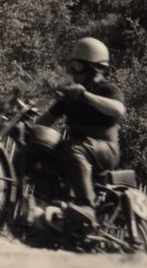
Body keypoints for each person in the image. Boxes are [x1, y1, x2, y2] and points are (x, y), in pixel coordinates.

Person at [35, 36, 125, 228]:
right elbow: (46, 121)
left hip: (106, 151)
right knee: (44, 152)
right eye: (72, 66)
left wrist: (85, 96)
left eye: (77, 66)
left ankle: (86, 206)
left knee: (75, 148)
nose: (73, 72)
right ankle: (45, 208)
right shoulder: (71, 96)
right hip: (78, 150)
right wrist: (28, 130)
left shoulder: (107, 89)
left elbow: (118, 110)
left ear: (91, 68)